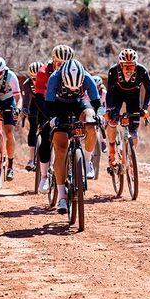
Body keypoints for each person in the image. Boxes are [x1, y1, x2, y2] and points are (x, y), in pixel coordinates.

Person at [45, 58, 101, 215]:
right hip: (59, 105)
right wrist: (53, 119)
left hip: (79, 104)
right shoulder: (54, 78)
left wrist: (99, 116)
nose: (72, 89)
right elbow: (48, 105)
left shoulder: (87, 77)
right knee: (61, 149)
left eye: (76, 86)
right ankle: (61, 196)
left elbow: (96, 103)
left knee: (91, 122)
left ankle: (88, 161)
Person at [104, 48, 150, 174]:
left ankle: (131, 155)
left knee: (134, 131)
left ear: (135, 65)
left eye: (131, 66)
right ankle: (111, 150)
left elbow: (149, 91)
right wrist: (109, 110)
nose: (128, 69)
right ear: (120, 65)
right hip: (117, 96)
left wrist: (145, 109)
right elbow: (109, 93)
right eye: (125, 66)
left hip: (133, 97)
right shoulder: (113, 71)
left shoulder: (142, 71)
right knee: (112, 120)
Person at [33, 44, 75, 193]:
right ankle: (44, 176)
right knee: (45, 137)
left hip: (65, 104)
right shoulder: (44, 71)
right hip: (46, 105)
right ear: (53, 60)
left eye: (65, 63)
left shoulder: (74, 70)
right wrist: (48, 116)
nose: (62, 66)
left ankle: (75, 162)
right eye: (59, 63)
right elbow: (38, 96)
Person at [22, 61, 44, 172]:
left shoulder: (49, 80)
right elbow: (25, 101)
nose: (35, 81)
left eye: (38, 78)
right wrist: (25, 109)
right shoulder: (26, 84)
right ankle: (31, 160)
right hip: (35, 105)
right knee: (33, 129)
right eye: (33, 78)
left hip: (46, 103)